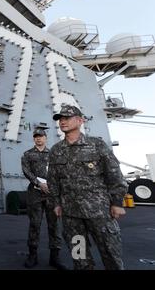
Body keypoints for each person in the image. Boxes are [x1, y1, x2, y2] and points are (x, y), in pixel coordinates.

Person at [48, 104, 128, 270]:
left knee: (111, 255)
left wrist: (117, 203)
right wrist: (56, 203)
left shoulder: (96, 145)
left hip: (99, 212)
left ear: (80, 120)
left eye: (67, 118)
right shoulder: (56, 150)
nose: (62, 121)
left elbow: (114, 174)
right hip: (71, 215)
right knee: (80, 258)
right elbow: (53, 180)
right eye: (60, 119)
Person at [21, 128, 65, 270]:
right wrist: (39, 183)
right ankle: (32, 255)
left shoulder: (53, 154)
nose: (38, 139)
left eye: (41, 136)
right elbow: (26, 171)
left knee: (54, 226)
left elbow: (59, 172)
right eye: (36, 137)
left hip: (51, 194)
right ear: (34, 139)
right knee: (35, 224)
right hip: (35, 194)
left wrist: (52, 185)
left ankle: (55, 257)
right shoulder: (28, 154)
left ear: (46, 138)